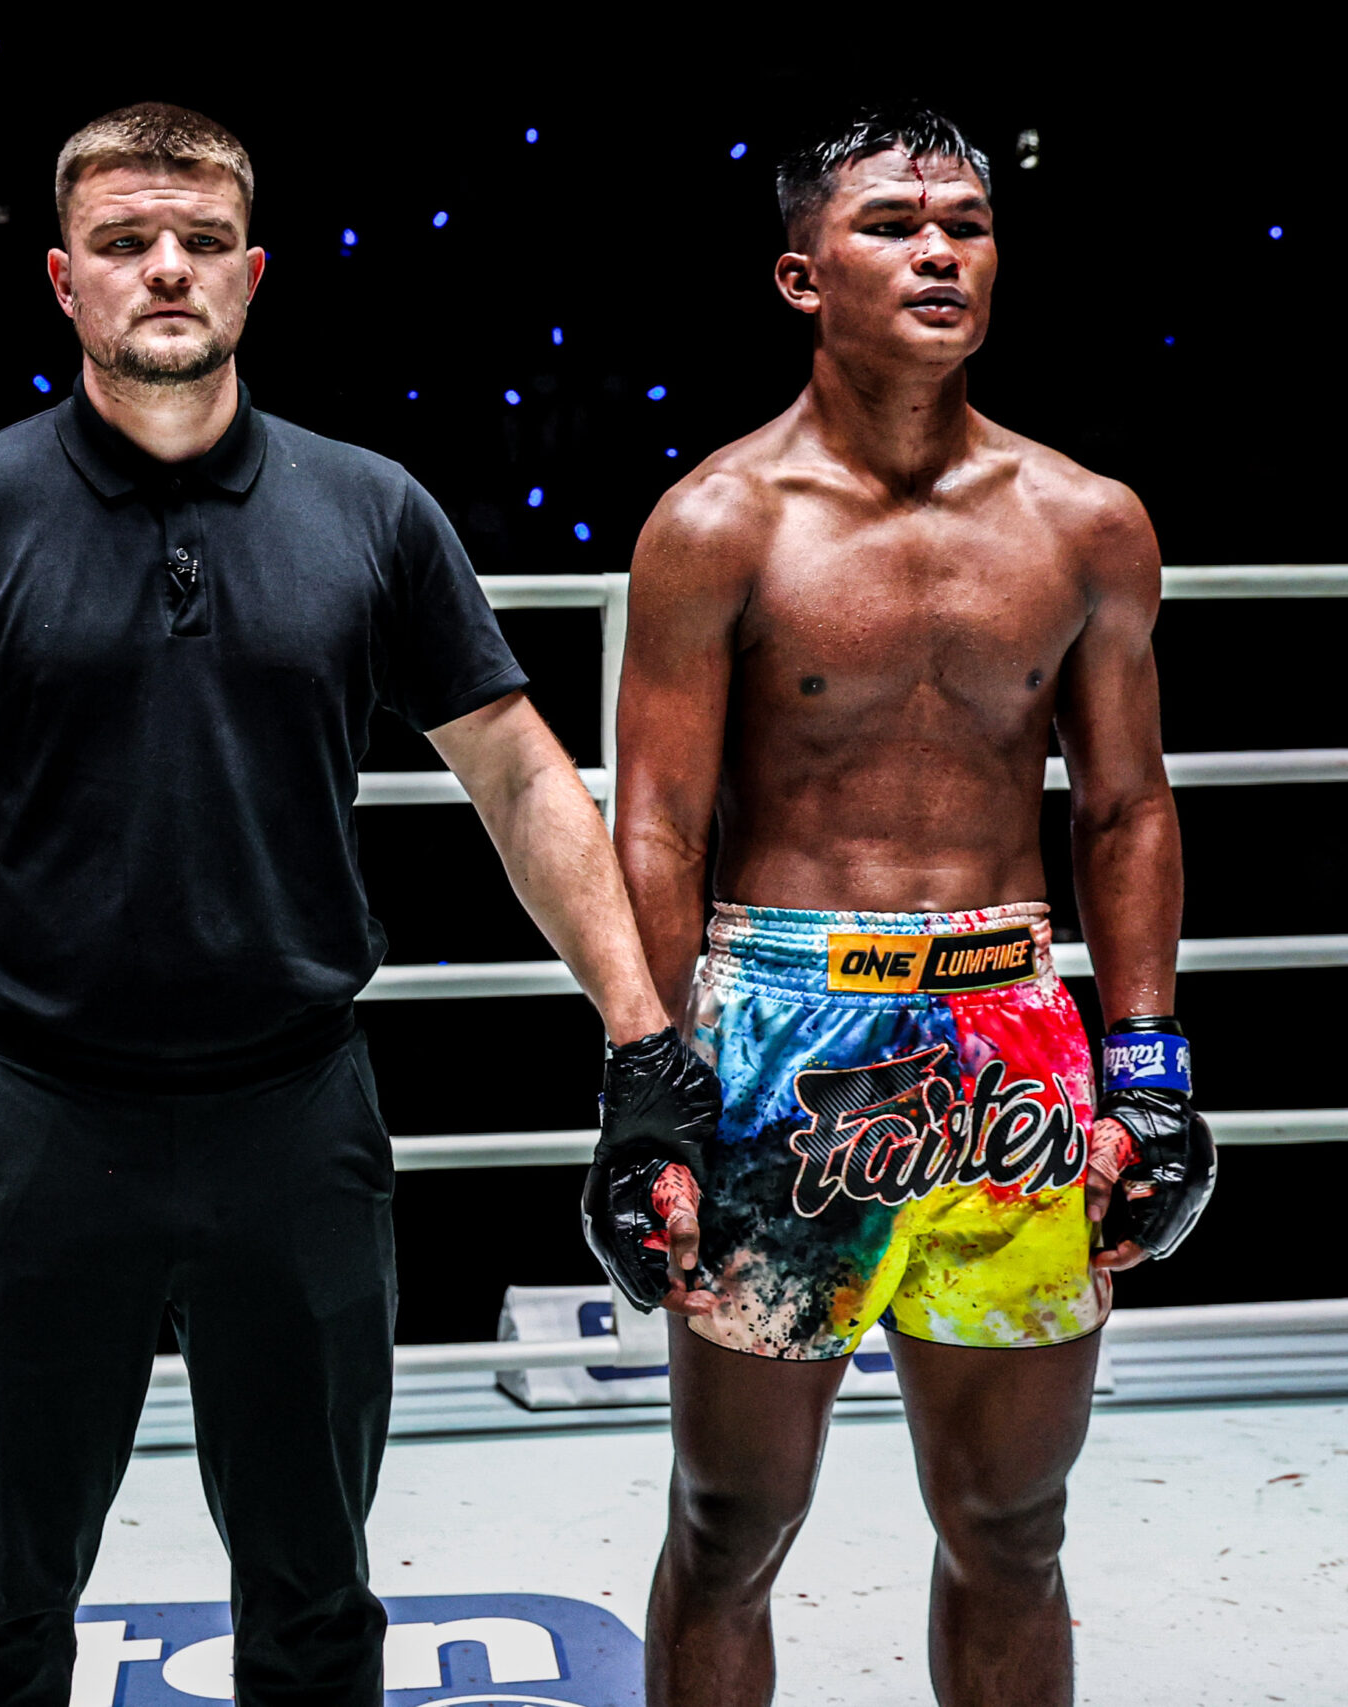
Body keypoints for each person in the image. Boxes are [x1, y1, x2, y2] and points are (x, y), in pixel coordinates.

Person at [0, 103, 715, 1706]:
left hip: (297, 1110)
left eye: (201, 240)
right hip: (42, 1112)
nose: (168, 269)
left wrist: (642, 1040)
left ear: (255, 273)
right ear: (67, 280)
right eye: (126, 242)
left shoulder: (372, 509)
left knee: (318, 1591)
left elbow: (522, 774)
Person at [608, 105, 1212, 1707]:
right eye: (892, 225)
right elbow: (656, 823)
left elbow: (1127, 805)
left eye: (967, 225)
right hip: (781, 1032)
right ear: (803, 275)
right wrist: (649, 1080)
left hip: (1012, 1032)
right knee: (731, 1518)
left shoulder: (1086, 520)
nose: (940, 252)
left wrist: (1151, 1068)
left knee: (1014, 1520)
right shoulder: (720, 521)